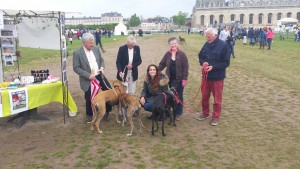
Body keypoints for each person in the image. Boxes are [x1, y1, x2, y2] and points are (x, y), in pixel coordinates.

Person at [73, 33, 111, 122]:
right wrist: (88, 75)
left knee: (108, 92)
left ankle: (106, 111)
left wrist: (102, 67)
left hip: (99, 75)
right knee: (89, 97)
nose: (92, 44)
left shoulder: (96, 49)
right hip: (88, 79)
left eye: (92, 42)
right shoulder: (77, 53)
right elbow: (76, 68)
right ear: (84, 43)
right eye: (90, 43)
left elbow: (101, 60)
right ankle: (89, 114)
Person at [197, 27, 230, 126]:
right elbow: (200, 56)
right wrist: (203, 63)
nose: (207, 39)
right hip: (206, 77)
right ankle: (205, 113)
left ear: (215, 35)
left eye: (209, 37)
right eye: (206, 37)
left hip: (217, 78)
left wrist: (213, 67)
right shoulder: (206, 44)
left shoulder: (223, 46)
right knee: (204, 96)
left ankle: (215, 117)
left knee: (217, 99)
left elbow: (226, 63)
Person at [158, 37, 189, 121]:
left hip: (179, 79)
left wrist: (184, 80)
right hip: (169, 79)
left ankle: (179, 112)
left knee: (179, 96)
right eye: (171, 44)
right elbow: (162, 64)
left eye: (175, 43)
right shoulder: (167, 54)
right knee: (172, 95)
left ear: (177, 44)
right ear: (169, 45)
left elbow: (185, 68)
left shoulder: (182, 54)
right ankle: (172, 110)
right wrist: (155, 71)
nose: (173, 45)